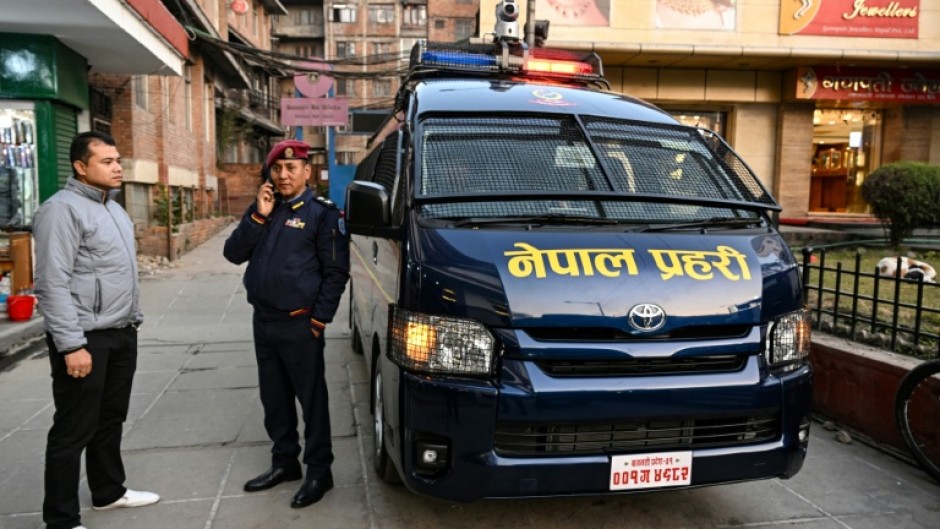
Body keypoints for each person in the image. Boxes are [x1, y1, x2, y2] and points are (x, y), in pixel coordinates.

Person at [33, 131, 158, 529]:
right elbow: (52, 283)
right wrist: (71, 345)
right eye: (107, 161)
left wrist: (132, 320)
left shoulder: (114, 209)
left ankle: (108, 492)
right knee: (73, 429)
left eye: (118, 159)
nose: (118, 166)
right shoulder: (61, 210)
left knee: (110, 419)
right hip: (84, 338)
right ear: (81, 167)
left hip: (121, 332)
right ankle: (61, 519)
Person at [223, 139, 350, 509]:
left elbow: (336, 272)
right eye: (277, 168)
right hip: (264, 322)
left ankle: (318, 472)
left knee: (311, 402)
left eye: (291, 168)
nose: (283, 175)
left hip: (300, 325)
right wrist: (258, 215)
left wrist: (319, 320)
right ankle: (285, 463)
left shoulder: (324, 214)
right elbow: (233, 254)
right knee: (274, 399)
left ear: (306, 172)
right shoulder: (266, 208)